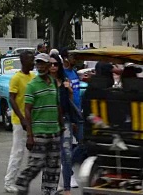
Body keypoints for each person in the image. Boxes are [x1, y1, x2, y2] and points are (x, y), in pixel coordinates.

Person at [15, 52, 63, 195]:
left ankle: (49, 191)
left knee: (53, 166)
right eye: (38, 63)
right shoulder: (32, 85)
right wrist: (30, 134)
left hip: (54, 130)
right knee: (36, 164)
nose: (40, 66)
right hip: (39, 131)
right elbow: (27, 110)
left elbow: (57, 104)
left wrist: (61, 124)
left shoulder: (54, 82)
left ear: (49, 65)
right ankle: (22, 181)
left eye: (43, 63)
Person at [4, 51, 36, 193]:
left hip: (33, 120)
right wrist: (22, 119)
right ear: (23, 61)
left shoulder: (33, 77)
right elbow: (12, 99)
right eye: (30, 60)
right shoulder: (16, 78)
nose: (33, 62)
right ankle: (9, 181)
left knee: (38, 153)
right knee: (18, 152)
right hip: (19, 121)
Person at [59, 50, 83, 192]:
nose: (75, 59)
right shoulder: (63, 75)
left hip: (78, 113)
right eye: (73, 57)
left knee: (83, 143)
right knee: (67, 147)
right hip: (68, 115)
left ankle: (68, 165)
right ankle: (69, 171)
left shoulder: (74, 73)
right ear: (65, 58)